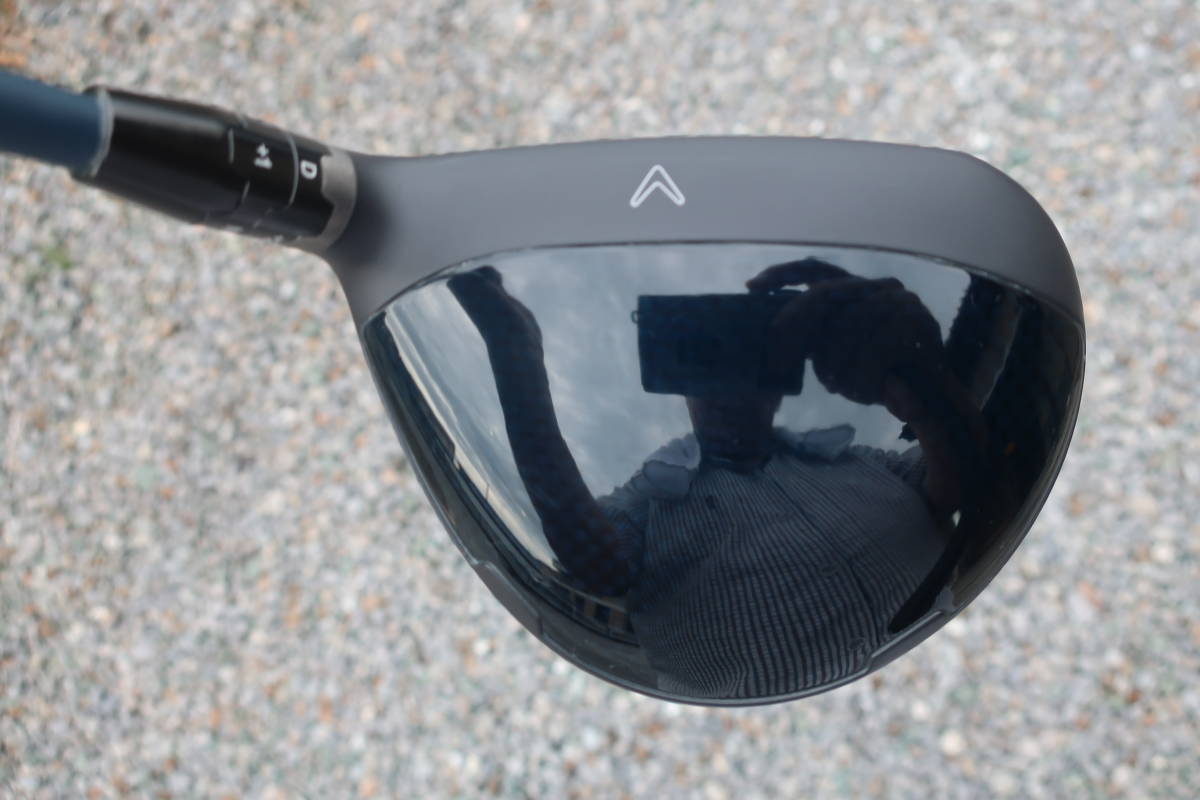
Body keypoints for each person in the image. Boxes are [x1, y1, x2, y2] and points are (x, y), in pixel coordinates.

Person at [447, 258, 991, 699]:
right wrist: (516, 357)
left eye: (748, 361)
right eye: (707, 365)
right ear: (683, 390)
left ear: (778, 386)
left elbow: (962, 484)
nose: (728, 385)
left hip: (946, 670)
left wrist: (915, 377)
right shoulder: (654, 496)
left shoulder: (853, 458)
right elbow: (591, 558)